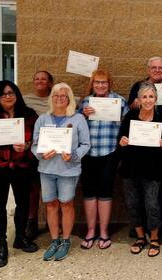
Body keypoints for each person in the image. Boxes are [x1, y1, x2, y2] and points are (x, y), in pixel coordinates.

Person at [31, 83, 90, 261]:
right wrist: (41, 153)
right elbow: (35, 144)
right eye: (55, 96)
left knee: (66, 204)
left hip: (68, 170)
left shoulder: (78, 119)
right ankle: (54, 240)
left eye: (63, 96)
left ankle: (66, 240)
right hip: (47, 169)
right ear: (51, 98)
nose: (59, 99)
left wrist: (73, 156)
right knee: (50, 205)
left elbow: (86, 144)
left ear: (69, 99)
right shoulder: (42, 119)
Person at [118, 82, 162, 257]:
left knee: (152, 204)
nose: (148, 100)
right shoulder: (130, 116)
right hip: (131, 168)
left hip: (153, 169)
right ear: (138, 99)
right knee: (133, 203)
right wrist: (122, 142)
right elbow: (120, 140)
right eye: (144, 96)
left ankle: (155, 238)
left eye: (151, 96)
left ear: (156, 99)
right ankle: (141, 237)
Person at [77, 69, 129, 250]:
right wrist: (82, 114)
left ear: (109, 83)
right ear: (92, 84)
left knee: (106, 192)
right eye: (97, 82)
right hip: (88, 154)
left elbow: (128, 125)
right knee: (89, 192)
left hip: (109, 152)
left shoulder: (119, 101)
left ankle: (104, 232)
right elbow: (74, 127)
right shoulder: (85, 102)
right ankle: (91, 231)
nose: (100, 85)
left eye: (104, 82)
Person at [0, 80, 39, 268]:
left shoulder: (29, 115)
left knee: (23, 203)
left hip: (21, 166)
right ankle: (1, 245)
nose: (8, 96)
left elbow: (38, 139)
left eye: (11, 92)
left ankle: (20, 238)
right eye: (3, 94)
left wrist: (26, 145)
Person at [23, 70, 54, 240]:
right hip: (33, 150)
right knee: (33, 188)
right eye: (37, 79)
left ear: (50, 83)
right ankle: (32, 221)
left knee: (53, 188)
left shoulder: (57, 97)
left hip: (55, 150)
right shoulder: (26, 100)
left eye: (44, 79)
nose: (40, 81)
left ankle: (53, 223)